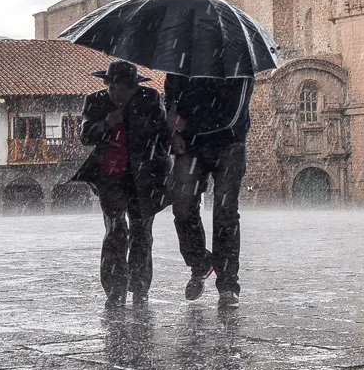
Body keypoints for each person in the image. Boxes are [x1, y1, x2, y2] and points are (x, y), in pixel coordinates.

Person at [71, 60, 171, 308]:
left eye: (123, 88)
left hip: (144, 176)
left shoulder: (150, 99)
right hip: (109, 176)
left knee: (141, 233)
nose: (117, 93)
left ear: (134, 87)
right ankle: (115, 289)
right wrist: (107, 123)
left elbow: (162, 136)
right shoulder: (95, 101)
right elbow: (86, 136)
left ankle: (140, 289)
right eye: (112, 87)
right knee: (115, 231)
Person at [165, 72, 253, 307]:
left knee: (225, 212)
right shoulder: (182, 60)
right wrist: (174, 127)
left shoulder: (239, 62)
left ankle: (227, 284)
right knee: (182, 207)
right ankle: (201, 262)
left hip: (230, 144)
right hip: (190, 145)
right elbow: (171, 97)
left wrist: (189, 124)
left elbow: (233, 114)